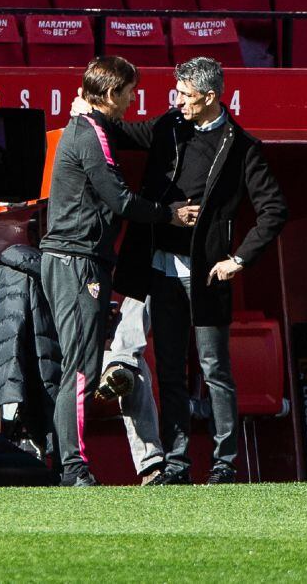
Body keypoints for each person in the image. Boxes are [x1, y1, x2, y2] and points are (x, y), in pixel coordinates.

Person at [82, 57, 287, 485]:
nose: (178, 101)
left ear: (210, 97)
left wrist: (239, 259)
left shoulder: (242, 146)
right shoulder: (170, 125)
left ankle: (225, 465)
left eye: (186, 96)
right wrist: (90, 109)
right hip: (159, 269)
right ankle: (176, 464)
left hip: (207, 274)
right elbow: (121, 132)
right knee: (171, 370)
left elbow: (274, 210)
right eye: (177, 93)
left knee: (215, 370)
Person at [40, 56, 198, 487]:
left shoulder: (95, 128)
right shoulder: (91, 135)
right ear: (111, 94)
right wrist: (170, 214)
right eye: (129, 93)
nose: (133, 101)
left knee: (83, 365)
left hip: (79, 259)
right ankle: (72, 469)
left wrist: (181, 112)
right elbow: (121, 200)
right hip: (77, 261)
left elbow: (138, 133)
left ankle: (72, 465)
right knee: (79, 369)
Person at [95, 296, 166, 484]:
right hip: (73, 356)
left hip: (109, 351)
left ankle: (120, 363)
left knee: (134, 372)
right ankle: (151, 466)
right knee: (132, 368)